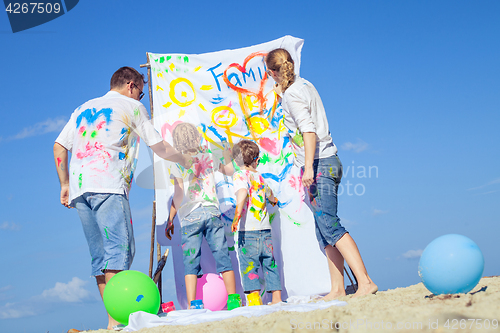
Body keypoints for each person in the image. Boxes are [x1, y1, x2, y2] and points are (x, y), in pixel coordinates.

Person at [53, 66, 190, 331]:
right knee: (119, 250)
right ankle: (115, 322)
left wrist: (64, 184)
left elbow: (59, 145)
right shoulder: (132, 106)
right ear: (131, 85)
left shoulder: (83, 107)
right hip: (108, 185)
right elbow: (158, 145)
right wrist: (183, 159)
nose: (140, 97)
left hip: (81, 190)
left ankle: (111, 321)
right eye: (140, 91)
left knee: (99, 256)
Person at [265, 49, 378, 299]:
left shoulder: (292, 94)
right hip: (329, 162)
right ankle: (337, 289)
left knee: (330, 225)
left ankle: (365, 282)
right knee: (323, 229)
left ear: (272, 72)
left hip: (320, 164)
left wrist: (307, 167)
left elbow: (308, 131)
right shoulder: (303, 85)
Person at [164, 122, 236, 307]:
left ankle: (193, 305)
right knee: (222, 257)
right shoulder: (209, 155)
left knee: (190, 262)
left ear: (176, 143)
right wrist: (227, 153)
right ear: (197, 138)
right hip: (212, 212)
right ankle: (234, 300)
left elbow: (178, 194)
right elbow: (230, 171)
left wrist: (171, 218)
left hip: (190, 217)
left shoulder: (175, 163)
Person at [230, 140, 282, 304]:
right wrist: (274, 201)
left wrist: (237, 216)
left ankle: (255, 301)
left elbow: (243, 192)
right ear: (256, 159)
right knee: (270, 265)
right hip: (265, 231)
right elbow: (271, 195)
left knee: (249, 267)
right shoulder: (259, 177)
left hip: (248, 232)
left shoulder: (239, 175)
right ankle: (277, 299)